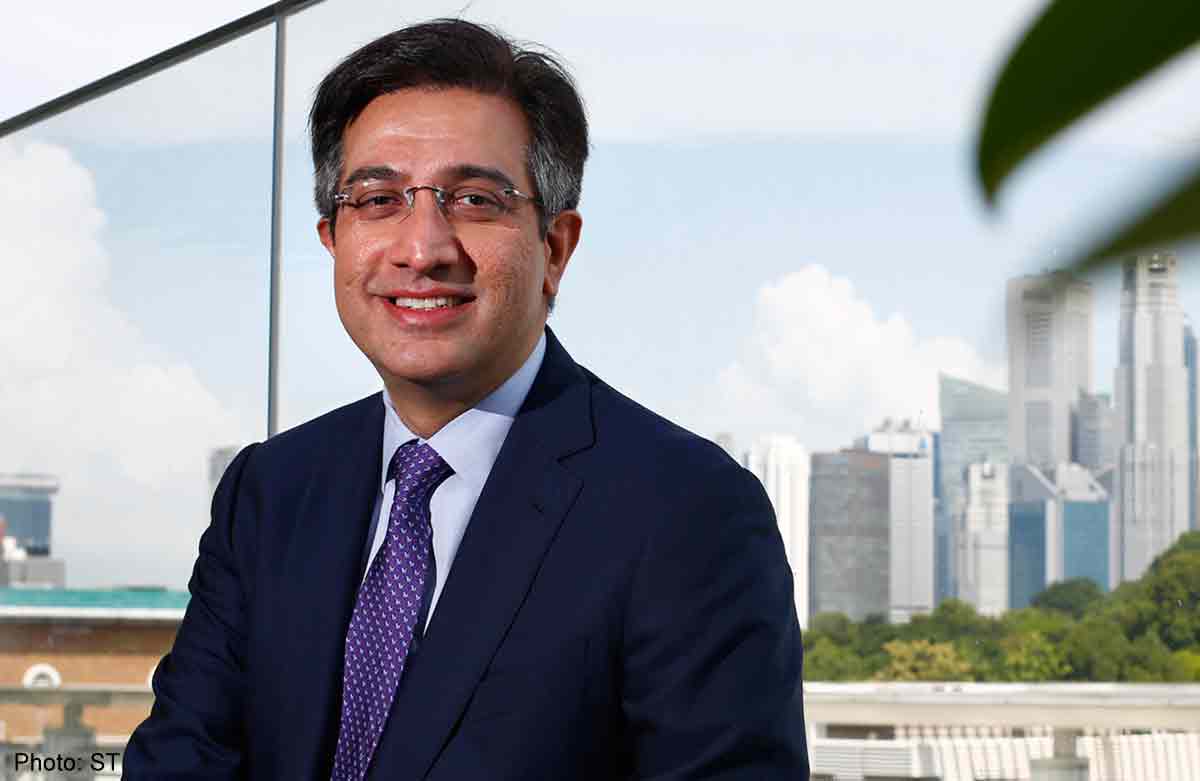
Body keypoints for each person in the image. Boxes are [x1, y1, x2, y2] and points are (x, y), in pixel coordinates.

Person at [124, 18, 807, 780]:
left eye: (476, 199)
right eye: (378, 199)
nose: (423, 249)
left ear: (555, 247)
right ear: (331, 239)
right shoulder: (270, 491)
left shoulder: (688, 511)